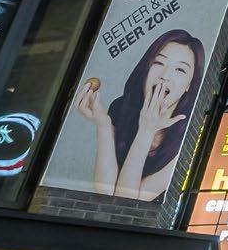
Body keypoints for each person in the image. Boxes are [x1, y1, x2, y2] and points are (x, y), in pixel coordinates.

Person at [75, 30, 205, 201]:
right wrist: (103, 124)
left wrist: (146, 131)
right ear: (146, 69)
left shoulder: (190, 137)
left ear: (190, 84)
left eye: (180, 69)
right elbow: (104, 193)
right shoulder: (122, 107)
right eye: (159, 63)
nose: (165, 76)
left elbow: (125, 201)